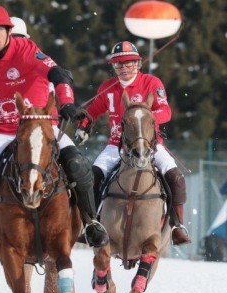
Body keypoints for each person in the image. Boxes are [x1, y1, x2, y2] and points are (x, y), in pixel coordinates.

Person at [0, 4, 109, 269]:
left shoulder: (26, 50)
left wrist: (66, 102)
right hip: (3, 131)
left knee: (78, 165)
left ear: (9, 31)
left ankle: (91, 224)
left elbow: (58, 73)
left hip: (41, 126)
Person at [74, 41, 191, 245]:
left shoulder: (152, 83)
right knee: (93, 177)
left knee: (176, 178)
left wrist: (145, 115)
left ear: (138, 63)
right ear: (113, 67)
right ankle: (91, 224)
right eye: (119, 64)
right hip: (116, 145)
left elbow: (166, 111)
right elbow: (93, 110)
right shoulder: (108, 87)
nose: (124, 68)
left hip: (149, 145)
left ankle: (177, 226)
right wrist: (84, 124)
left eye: (129, 63)